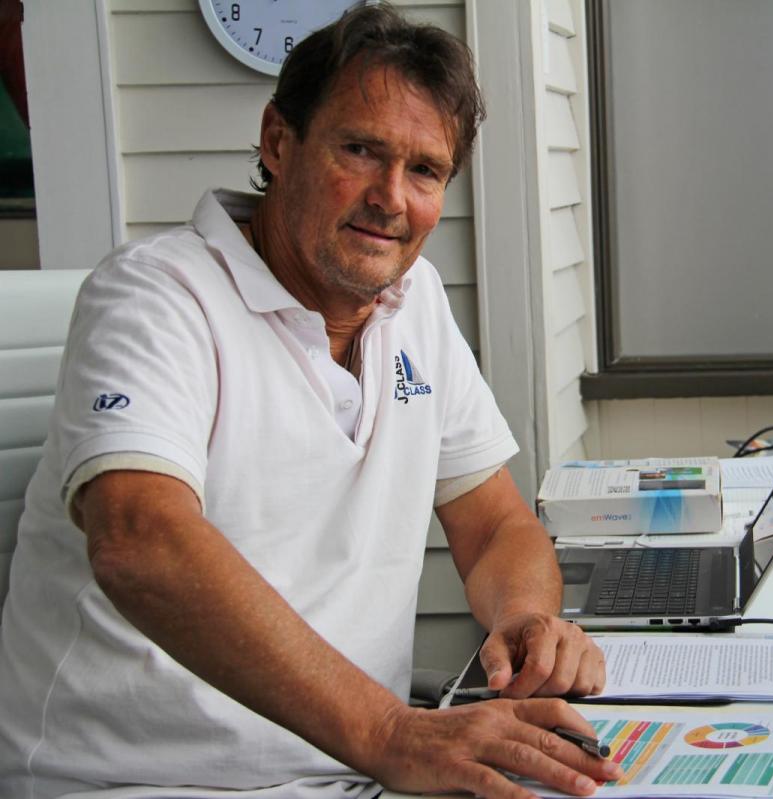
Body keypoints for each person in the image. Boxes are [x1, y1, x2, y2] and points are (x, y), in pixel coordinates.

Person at [0, 7, 620, 798]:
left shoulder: (416, 302)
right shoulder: (156, 297)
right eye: (360, 150)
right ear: (278, 141)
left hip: (357, 771)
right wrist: (391, 732)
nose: (390, 198)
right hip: (137, 782)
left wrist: (525, 621)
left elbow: (495, 522)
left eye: (425, 170)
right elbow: (137, 538)